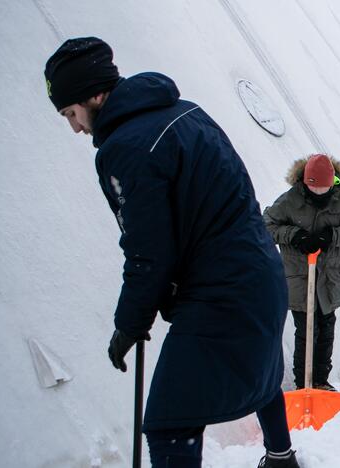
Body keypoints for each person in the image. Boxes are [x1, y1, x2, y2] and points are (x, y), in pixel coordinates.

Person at [44, 37, 299, 468]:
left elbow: (148, 250)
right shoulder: (186, 111)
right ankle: (281, 457)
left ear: (95, 95)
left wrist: (129, 323)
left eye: (72, 113)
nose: (74, 127)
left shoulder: (125, 148)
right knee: (261, 369)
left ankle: (281, 458)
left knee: (169, 423)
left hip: (222, 291)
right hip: (260, 271)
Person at [264, 154, 340, 391]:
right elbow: (265, 225)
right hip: (300, 280)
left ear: (333, 184)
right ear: (304, 183)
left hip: (329, 281)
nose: (319, 194)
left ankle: (321, 381)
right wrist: (294, 235)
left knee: (326, 331)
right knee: (306, 332)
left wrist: (332, 235)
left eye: (324, 190)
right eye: (314, 189)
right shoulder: (289, 201)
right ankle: (304, 384)